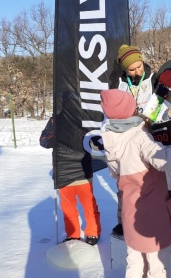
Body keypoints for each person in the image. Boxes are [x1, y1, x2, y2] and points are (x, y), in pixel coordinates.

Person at [100, 89, 171, 277]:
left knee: (134, 260)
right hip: (154, 213)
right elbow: (165, 160)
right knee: (158, 263)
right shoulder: (139, 136)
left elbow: (115, 173)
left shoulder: (110, 139)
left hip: (130, 212)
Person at [111, 44, 171, 236]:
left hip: (159, 134)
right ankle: (124, 222)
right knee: (128, 180)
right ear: (124, 69)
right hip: (132, 138)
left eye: (139, 66)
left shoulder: (155, 79)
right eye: (131, 69)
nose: (136, 71)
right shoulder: (119, 84)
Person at [39, 91, 101, 246]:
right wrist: (52, 141)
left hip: (83, 169)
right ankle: (72, 234)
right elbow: (43, 140)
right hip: (63, 170)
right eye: (68, 103)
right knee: (67, 206)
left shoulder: (86, 120)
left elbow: (96, 140)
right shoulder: (56, 120)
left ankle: (93, 232)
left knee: (89, 204)